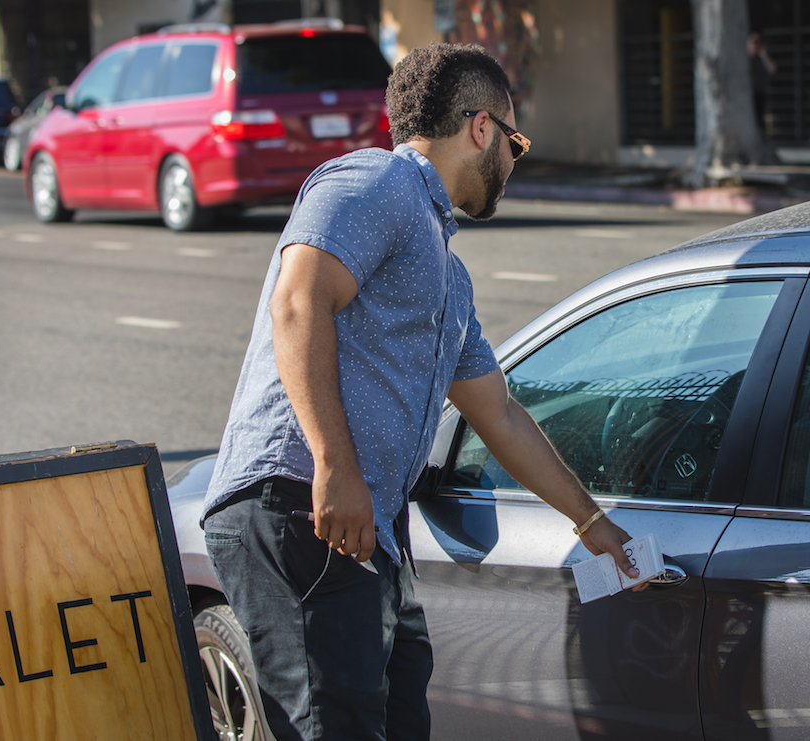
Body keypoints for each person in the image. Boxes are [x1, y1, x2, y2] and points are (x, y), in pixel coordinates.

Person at [200, 42, 643, 741]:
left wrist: (592, 524)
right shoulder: (377, 184)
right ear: (482, 128)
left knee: (404, 714)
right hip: (299, 501)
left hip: (365, 528)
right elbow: (298, 302)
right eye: (515, 143)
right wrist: (335, 464)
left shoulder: (447, 273)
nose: (513, 164)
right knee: (333, 726)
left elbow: (497, 414)